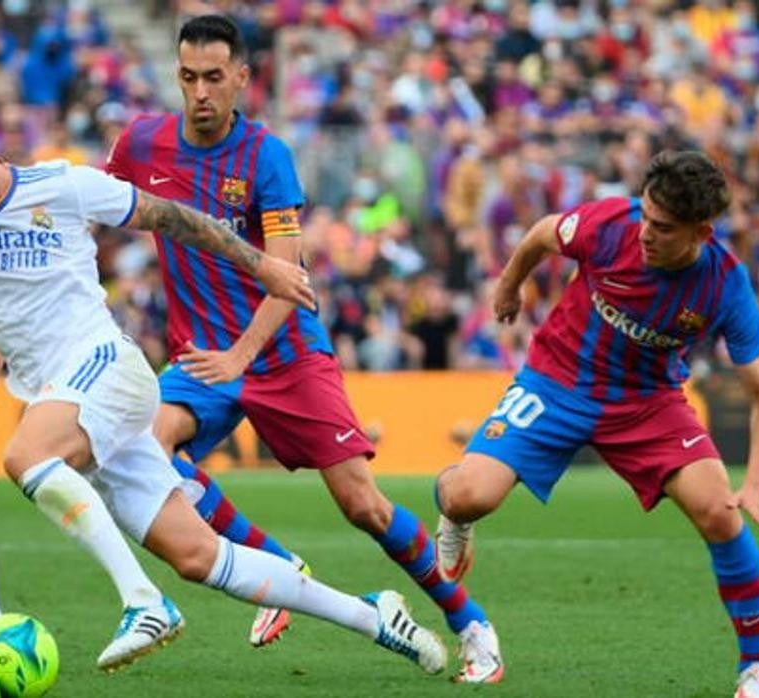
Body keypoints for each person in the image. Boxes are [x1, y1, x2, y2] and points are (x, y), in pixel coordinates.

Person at [0, 106, 450, 676]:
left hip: (107, 367)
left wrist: (261, 264)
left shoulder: (66, 186)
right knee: (201, 558)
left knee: (25, 458)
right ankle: (372, 613)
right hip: (69, 396)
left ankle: (143, 602)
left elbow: (177, 218)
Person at [104, 14, 502, 683]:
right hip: (203, 360)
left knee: (363, 507)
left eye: (213, 77)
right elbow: (89, 204)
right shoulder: (143, 142)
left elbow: (287, 280)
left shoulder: (266, 157)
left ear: (241, 78)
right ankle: (284, 570)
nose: (200, 91)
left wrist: (241, 357)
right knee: (145, 453)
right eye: (187, 76)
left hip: (282, 354)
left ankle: (470, 622)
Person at [434, 151, 759, 698]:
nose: (646, 232)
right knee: (468, 496)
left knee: (721, 513)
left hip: (647, 404)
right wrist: (509, 288)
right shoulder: (611, 224)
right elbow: (542, 234)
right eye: (646, 216)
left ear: (701, 231)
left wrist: (757, 486)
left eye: (663, 228)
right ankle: (453, 517)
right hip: (557, 381)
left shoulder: (724, 283)